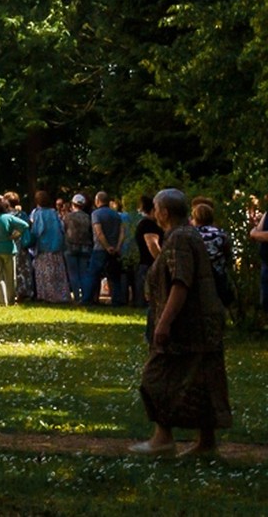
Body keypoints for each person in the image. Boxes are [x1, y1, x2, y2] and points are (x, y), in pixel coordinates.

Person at [133, 188, 232, 456]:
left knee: (155, 378)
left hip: (187, 324)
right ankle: (206, 442)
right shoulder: (187, 235)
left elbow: (181, 282)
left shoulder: (179, 239)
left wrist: (163, 324)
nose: (153, 212)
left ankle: (162, 437)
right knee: (203, 380)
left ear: (164, 212)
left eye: (155, 207)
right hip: (202, 323)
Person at [0, 195, 29, 306]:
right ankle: (11, 300)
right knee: (10, 276)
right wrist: (15, 235)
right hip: (9, 249)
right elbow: (24, 225)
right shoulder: (9, 218)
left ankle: (2, 300)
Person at [28, 194, 69, 304]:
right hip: (57, 247)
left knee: (45, 274)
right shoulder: (54, 213)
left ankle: (47, 296)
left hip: (44, 248)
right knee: (58, 273)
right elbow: (61, 228)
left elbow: (37, 230)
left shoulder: (38, 214)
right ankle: (62, 295)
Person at [91, 191, 128, 307]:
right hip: (115, 250)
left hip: (100, 248)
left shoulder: (96, 214)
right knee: (115, 276)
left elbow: (99, 232)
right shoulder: (116, 215)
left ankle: (89, 299)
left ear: (97, 201)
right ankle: (117, 300)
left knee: (93, 274)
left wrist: (107, 246)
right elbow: (122, 232)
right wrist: (117, 247)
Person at [133, 194, 164, 308]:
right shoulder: (149, 225)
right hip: (149, 264)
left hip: (145, 264)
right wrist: (161, 260)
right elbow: (152, 244)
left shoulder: (145, 223)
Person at [65, 193, 94, 302]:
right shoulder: (88, 217)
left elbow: (64, 230)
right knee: (83, 273)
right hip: (86, 247)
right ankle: (85, 296)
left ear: (73, 204)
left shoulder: (68, 217)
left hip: (71, 247)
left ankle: (77, 297)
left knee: (73, 274)